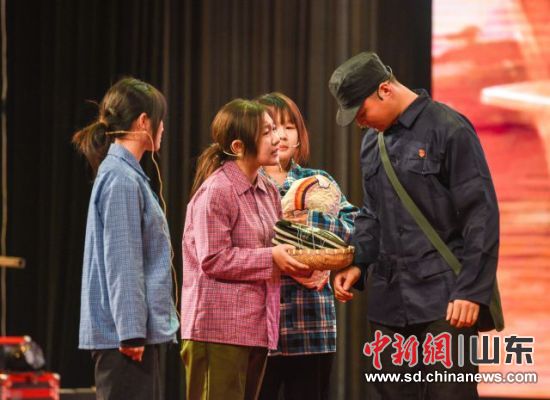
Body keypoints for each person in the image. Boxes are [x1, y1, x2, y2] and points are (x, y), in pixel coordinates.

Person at [329, 52, 501, 399]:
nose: (360, 123)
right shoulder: (371, 143)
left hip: (445, 300)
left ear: (385, 90)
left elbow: (481, 216)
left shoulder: (449, 128)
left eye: (361, 112)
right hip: (389, 303)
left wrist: (471, 290)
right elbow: (372, 213)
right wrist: (358, 262)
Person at [180, 99, 311, 400]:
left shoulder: (267, 190)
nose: (277, 138)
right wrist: (273, 257)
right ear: (238, 146)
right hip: (217, 331)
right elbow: (214, 259)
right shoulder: (217, 190)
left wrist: (304, 260)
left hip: (256, 328)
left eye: (275, 129)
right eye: (266, 132)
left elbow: (276, 246)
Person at [73, 77, 179, 400]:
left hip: (133, 336)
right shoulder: (120, 178)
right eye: (159, 120)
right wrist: (132, 333)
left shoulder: (126, 174)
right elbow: (123, 261)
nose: (163, 128)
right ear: (144, 121)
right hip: (125, 341)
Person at [256, 93, 359, 400]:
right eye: (272, 127)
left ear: (300, 137)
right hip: (257, 328)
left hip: (312, 325)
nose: (282, 135)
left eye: (289, 127)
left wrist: (310, 218)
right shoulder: (244, 182)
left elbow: (354, 227)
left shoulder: (318, 182)